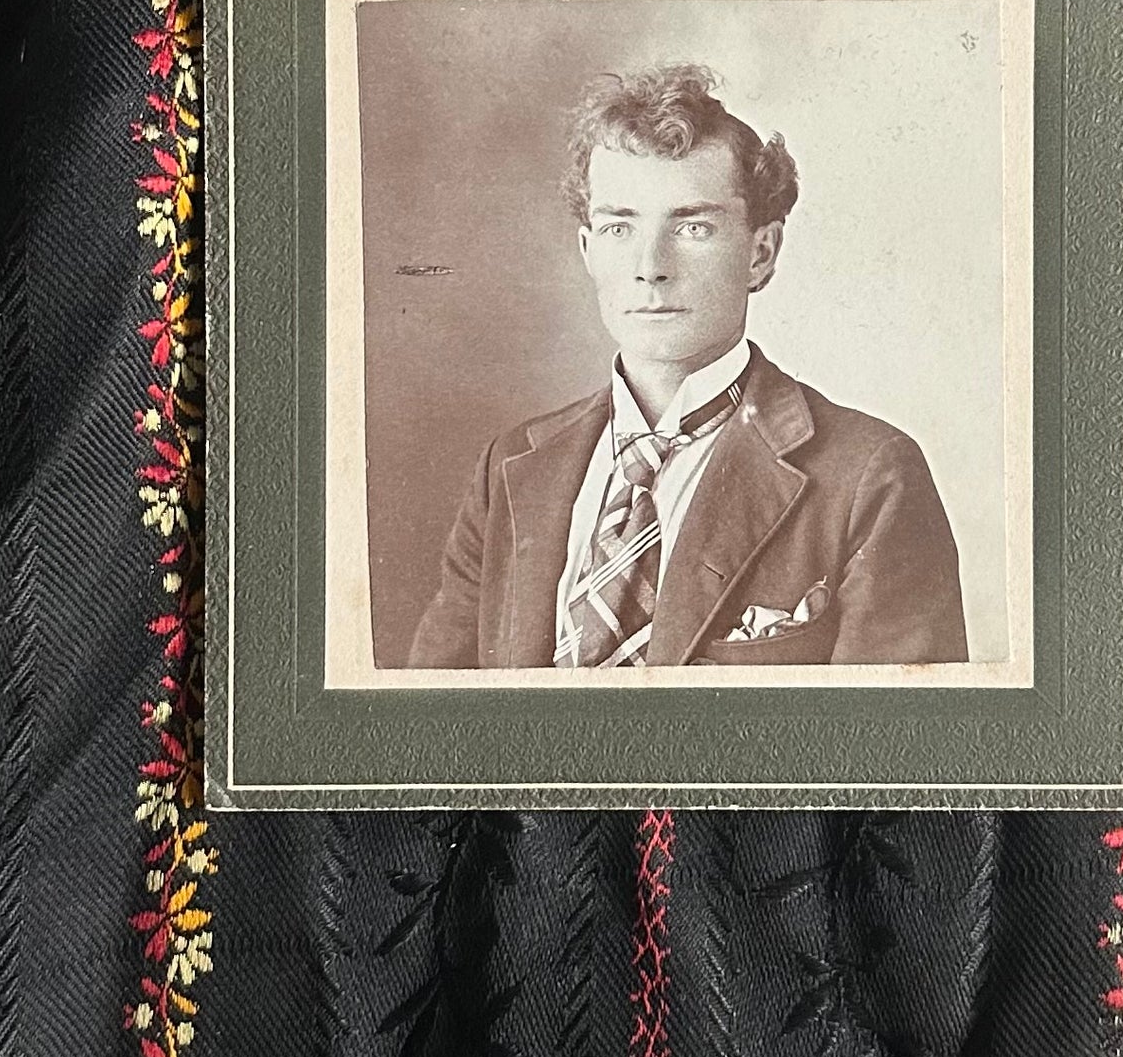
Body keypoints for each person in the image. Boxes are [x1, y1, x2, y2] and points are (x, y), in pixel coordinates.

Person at [407, 63, 967, 670]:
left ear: (760, 253)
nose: (650, 266)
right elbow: (433, 712)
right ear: (588, 251)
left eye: (693, 227)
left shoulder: (869, 475)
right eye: (619, 227)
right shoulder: (511, 466)